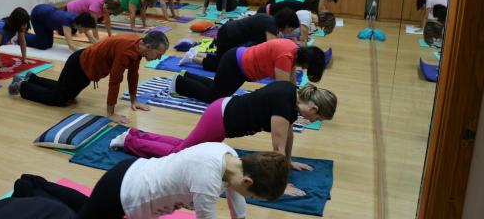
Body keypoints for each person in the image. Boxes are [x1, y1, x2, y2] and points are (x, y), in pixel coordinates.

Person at [0, 144, 288, 219]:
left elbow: (237, 203)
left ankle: (34, 184)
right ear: (249, 178)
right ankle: (32, 186)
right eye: (249, 192)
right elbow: (206, 217)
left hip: (130, 175)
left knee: (87, 209)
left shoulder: (226, 156)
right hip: (126, 192)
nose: (242, 196)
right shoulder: (209, 179)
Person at [112, 82, 337, 197]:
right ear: (314, 107)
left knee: (184, 147)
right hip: (219, 118)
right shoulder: (284, 107)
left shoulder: (292, 93)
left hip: (224, 111)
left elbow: (287, 136)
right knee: (178, 156)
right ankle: (128, 140)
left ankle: (136, 135)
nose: (313, 120)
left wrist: (289, 161)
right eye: (317, 117)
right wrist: (282, 185)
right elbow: (276, 149)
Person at [9, 32, 169, 123]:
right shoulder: (126, 51)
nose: (158, 58)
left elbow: (133, 74)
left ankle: (32, 78)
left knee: (68, 96)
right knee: (58, 99)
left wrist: (134, 100)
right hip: (79, 65)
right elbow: (115, 80)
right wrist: (111, 113)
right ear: (148, 47)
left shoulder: (138, 47)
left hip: (85, 66)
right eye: (159, 54)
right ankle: (22, 86)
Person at [173, 38, 326, 103]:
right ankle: (178, 83)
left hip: (239, 64)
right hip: (235, 64)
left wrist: (298, 96)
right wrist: (298, 103)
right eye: (307, 67)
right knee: (214, 98)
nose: (305, 70)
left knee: (217, 89)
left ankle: (186, 75)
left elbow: (291, 83)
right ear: (306, 62)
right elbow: (283, 89)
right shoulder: (286, 57)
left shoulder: (294, 51)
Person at [180, 9, 300, 71]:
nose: (290, 32)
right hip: (228, 34)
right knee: (221, 67)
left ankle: (195, 53)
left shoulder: (271, 22)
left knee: (221, 60)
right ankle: (191, 58)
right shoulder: (271, 25)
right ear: (286, 24)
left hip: (229, 32)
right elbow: (271, 50)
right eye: (291, 28)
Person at [26, 4, 97, 50]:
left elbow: (92, 39)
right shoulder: (67, 24)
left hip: (47, 16)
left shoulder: (79, 21)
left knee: (49, 44)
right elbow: (71, 45)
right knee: (43, 45)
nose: (86, 31)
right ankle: (22, 36)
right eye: (86, 29)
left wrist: (99, 48)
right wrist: (83, 53)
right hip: (38, 15)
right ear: (81, 25)